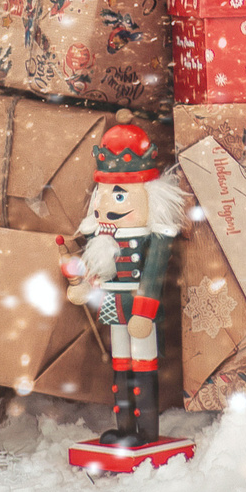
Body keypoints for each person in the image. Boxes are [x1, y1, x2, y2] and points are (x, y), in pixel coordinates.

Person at [61, 113, 186, 452]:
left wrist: (145, 312)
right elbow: (95, 271)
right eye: (102, 194)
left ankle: (146, 431)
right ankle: (124, 426)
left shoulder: (155, 237)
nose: (105, 204)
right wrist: (82, 284)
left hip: (139, 309)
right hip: (113, 305)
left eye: (118, 195)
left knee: (144, 363)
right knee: (119, 364)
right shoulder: (101, 237)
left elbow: (154, 274)